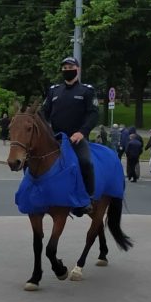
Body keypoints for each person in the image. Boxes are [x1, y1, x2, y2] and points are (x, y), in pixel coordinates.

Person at [42, 56, 98, 203]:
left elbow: (93, 114)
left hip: (77, 138)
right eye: (65, 68)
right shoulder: (54, 90)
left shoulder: (86, 90)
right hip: (56, 138)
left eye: (70, 68)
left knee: (86, 162)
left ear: (77, 69)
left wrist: (82, 132)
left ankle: (89, 196)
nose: (67, 70)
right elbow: (44, 113)